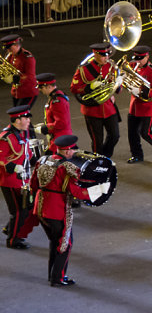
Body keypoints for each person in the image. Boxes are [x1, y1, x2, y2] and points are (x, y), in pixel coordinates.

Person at [31, 134, 94, 287]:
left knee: (54, 241)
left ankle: (52, 274)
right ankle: (58, 278)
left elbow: (33, 183)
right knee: (65, 244)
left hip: (40, 207)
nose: (74, 153)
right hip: (56, 209)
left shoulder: (43, 160)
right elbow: (76, 191)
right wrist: (95, 192)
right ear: (67, 152)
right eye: (72, 150)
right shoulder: (66, 167)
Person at [69, 42, 119, 158]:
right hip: (92, 110)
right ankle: (99, 163)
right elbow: (74, 88)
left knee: (115, 135)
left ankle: (105, 158)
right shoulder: (84, 69)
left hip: (108, 107)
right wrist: (89, 87)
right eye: (103, 55)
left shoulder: (111, 66)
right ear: (95, 54)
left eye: (107, 55)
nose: (106, 58)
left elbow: (117, 89)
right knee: (97, 142)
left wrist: (118, 84)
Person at [1, 105, 37, 250]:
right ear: (17, 120)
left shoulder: (23, 132)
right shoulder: (5, 138)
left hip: (23, 179)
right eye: (25, 118)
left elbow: (26, 152)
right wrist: (13, 167)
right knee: (18, 211)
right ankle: (12, 240)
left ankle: (10, 229)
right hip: (10, 180)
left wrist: (37, 161)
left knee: (27, 207)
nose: (28, 120)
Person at [124, 45, 152, 164]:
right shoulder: (133, 65)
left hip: (147, 106)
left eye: (140, 59)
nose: (137, 61)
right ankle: (137, 155)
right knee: (132, 132)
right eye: (136, 58)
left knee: (145, 132)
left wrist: (141, 91)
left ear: (147, 56)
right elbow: (125, 74)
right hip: (135, 105)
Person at [2, 34, 38, 110]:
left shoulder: (27, 57)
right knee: (18, 116)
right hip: (16, 92)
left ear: (16, 45)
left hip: (28, 92)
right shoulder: (11, 55)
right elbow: (5, 66)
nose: (8, 51)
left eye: (10, 48)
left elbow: (30, 76)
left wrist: (19, 79)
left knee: (21, 115)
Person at [37, 73, 71, 153]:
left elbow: (61, 123)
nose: (39, 90)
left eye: (41, 88)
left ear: (49, 86)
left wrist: (44, 128)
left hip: (60, 140)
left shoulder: (57, 101)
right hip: (57, 138)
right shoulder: (54, 97)